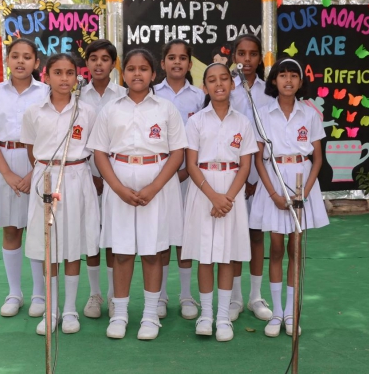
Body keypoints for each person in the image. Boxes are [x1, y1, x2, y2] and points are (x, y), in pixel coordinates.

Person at [87, 49, 187, 340]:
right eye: (131, 69)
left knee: (153, 252)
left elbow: (177, 152)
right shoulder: (111, 109)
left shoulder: (166, 108)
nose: (137, 74)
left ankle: (150, 315)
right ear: (123, 74)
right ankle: (119, 314)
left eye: (143, 69)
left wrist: (154, 187)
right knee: (121, 252)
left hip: (157, 185)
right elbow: (100, 152)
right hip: (119, 184)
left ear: (154, 74)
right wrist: (117, 188)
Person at [250, 57, 329, 337]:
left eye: (293, 75)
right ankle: (277, 312)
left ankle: (292, 314)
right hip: (274, 180)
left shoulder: (309, 114)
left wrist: (303, 193)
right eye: (282, 75)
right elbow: (258, 159)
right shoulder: (262, 113)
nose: (288, 80)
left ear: (300, 81)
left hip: (300, 181)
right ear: (274, 80)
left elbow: (317, 159)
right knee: (276, 247)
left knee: (295, 248)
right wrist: (273, 193)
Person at [21, 53, 100, 335]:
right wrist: (47, 171)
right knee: (49, 246)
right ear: (46, 76)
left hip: (77, 178)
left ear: (77, 76)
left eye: (69, 73)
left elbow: (94, 148)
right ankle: (51, 310)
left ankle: (69, 311)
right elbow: (31, 149)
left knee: (72, 245)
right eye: (57, 72)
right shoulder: (34, 111)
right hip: (45, 179)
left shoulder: (86, 111)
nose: (64, 78)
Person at [181, 63, 257, 342]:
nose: (219, 84)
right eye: (211, 80)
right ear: (204, 87)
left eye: (224, 78)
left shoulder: (243, 122)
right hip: (203, 190)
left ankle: (223, 317)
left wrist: (227, 198)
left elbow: (245, 165)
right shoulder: (196, 121)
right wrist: (213, 196)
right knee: (205, 255)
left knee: (226, 255)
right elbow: (191, 164)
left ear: (232, 84)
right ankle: (206, 315)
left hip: (231, 191)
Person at [0, 38, 50, 319]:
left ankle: (40, 294)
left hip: (39, 162)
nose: (21, 61)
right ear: (7, 60)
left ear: (36, 62)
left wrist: (34, 172)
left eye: (27, 57)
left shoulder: (46, 92)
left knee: (38, 230)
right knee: (11, 229)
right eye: (15, 56)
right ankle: (14, 293)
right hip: (3, 162)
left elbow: (52, 133)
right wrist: (6, 173)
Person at [153, 39, 204, 320]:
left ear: (189, 63)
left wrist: (185, 171)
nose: (177, 62)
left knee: (184, 236)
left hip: (190, 175)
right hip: (158, 177)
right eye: (171, 57)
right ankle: (160, 295)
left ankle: (186, 295)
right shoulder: (153, 94)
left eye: (182, 58)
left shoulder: (199, 96)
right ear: (162, 63)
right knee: (162, 234)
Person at [228, 34, 275, 322]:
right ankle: (234, 298)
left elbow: (269, 136)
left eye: (253, 54)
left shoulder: (268, 91)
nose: (247, 59)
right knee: (233, 237)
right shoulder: (224, 86)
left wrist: (256, 178)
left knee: (256, 235)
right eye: (241, 53)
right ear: (233, 56)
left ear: (260, 58)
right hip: (229, 175)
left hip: (259, 174)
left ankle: (255, 296)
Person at [79, 39, 126, 320]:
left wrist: (110, 179)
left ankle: (112, 295)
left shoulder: (123, 95)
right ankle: (94, 294)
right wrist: (91, 175)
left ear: (113, 63)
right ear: (86, 63)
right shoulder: (77, 96)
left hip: (116, 177)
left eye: (105, 59)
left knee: (112, 236)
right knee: (92, 236)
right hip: (84, 175)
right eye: (93, 58)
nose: (99, 64)